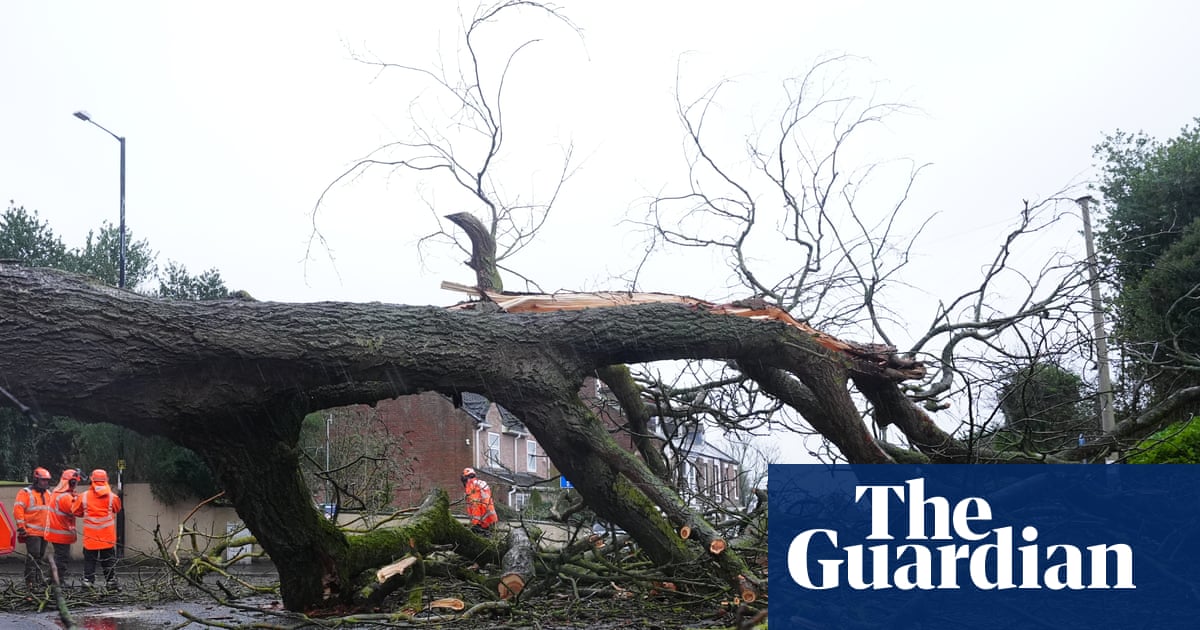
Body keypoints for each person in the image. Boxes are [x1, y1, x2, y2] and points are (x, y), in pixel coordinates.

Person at [72, 469, 122, 590]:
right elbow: (117, 509)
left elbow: (76, 511)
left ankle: (88, 581)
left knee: (90, 560)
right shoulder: (112, 497)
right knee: (108, 559)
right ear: (106, 480)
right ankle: (111, 581)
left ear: (91, 480)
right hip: (107, 536)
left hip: (91, 536)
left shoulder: (83, 497)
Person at [13, 467, 53, 589]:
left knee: (39, 556)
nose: (45, 483)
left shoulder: (48, 494)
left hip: (44, 532)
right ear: (36, 480)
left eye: (47, 480)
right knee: (33, 555)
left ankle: (37, 579)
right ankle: (30, 581)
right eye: (43, 480)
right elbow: (18, 510)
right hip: (31, 531)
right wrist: (21, 527)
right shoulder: (25, 493)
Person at [45, 469, 82, 585]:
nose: (76, 485)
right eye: (74, 482)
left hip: (57, 532)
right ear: (70, 482)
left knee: (59, 557)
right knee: (62, 558)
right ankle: (57, 580)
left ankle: (52, 579)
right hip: (61, 533)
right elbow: (76, 510)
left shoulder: (57, 494)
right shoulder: (65, 497)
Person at [460, 467, 498, 536]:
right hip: (490, 519)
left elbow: (475, 505)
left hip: (482, 522)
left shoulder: (471, 486)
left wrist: (475, 523)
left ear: (465, 478)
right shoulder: (481, 483)